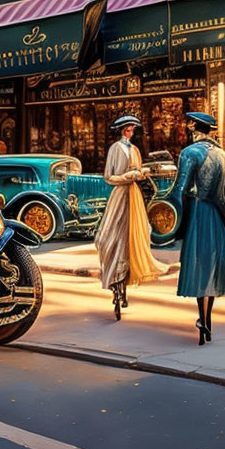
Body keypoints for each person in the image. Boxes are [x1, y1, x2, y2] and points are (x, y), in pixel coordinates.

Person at [172, 113, 225, 345]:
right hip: (217, 214)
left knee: (198, 266)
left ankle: (202, 320)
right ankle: (207, 321)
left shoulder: (189, 152)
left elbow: (181, 189)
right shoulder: (221, 153)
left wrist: (172, 222)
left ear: (195, 129)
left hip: (198, 213)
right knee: (213, 267)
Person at [96, 115, 167, 321]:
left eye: (132, 129)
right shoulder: (115, 149)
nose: (130, 132)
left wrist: (141, 173)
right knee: (114, 234)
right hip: (121, 194)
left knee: (136, 233)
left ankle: (126, 280)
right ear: (121, 131)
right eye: (127, 129)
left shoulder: (135, 150)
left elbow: (137, 171)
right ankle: (115, 279)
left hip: (134, 195)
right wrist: (127, 177)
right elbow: (109, 177)